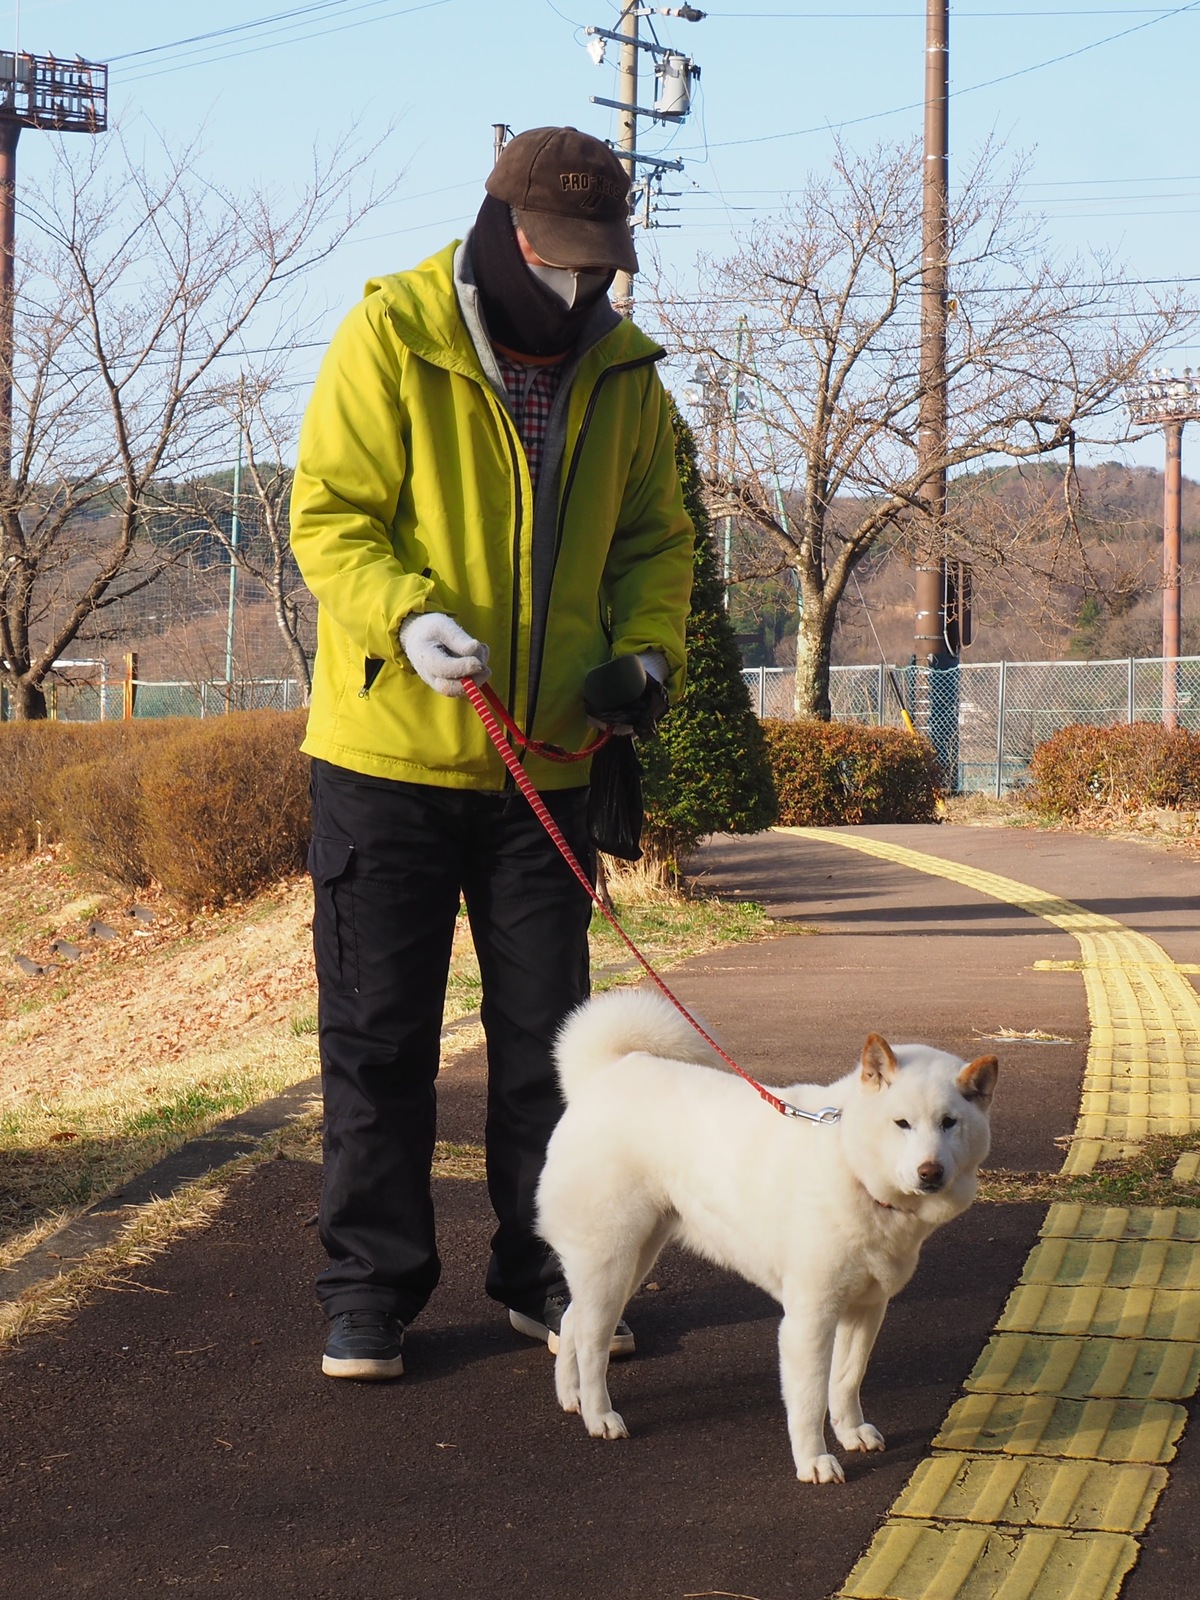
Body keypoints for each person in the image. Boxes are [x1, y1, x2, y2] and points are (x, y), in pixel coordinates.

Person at [289, 126, 694, 1381]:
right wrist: (403, 613)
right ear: (501, 230)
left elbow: (657, 542)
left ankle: (546, 1277)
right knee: (377, 1043)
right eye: (560, 259)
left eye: (601, 265)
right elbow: (330, 513)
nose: (580, 288)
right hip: (386, 761)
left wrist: (645, 655)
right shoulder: (391, 334)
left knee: (552, 1049)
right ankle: (370, 1292)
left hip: (550, 766)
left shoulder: (627, 373)